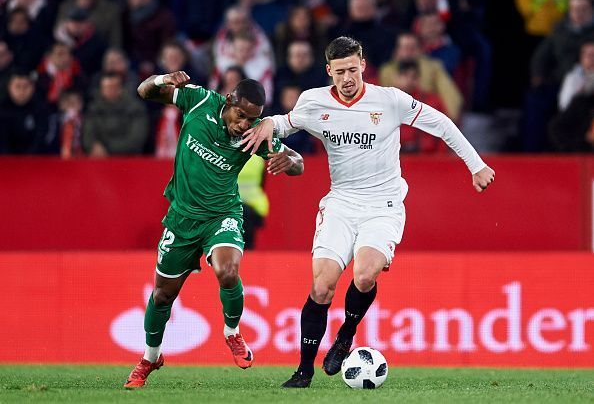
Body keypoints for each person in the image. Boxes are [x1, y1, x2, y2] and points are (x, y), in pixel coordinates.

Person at [241, 36, 495, 388]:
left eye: (353, 69)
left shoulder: (389, 100)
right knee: (322, 287)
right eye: (340, 71)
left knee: (364, 276)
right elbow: (285, 123)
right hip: (341, 203)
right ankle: (303, 371)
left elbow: (441, 123)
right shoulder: (313, 101)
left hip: (383, 205)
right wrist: (269, 123)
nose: (347, 78)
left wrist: (475, 165)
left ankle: (346, 334)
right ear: (329, 71)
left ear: (363, 65)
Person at [123, 73, 304, 388]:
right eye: (241, 115)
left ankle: (232, 332)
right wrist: (165, 78)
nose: (244, 124)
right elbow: (145, 90)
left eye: (253, 119)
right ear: (229, 101)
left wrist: (288, 161)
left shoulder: (254, 135)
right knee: (163, 295)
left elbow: (299, 163)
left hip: (223, 215)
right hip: (181, 218)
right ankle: (150, 357)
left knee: (227, 271)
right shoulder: (201, 100)